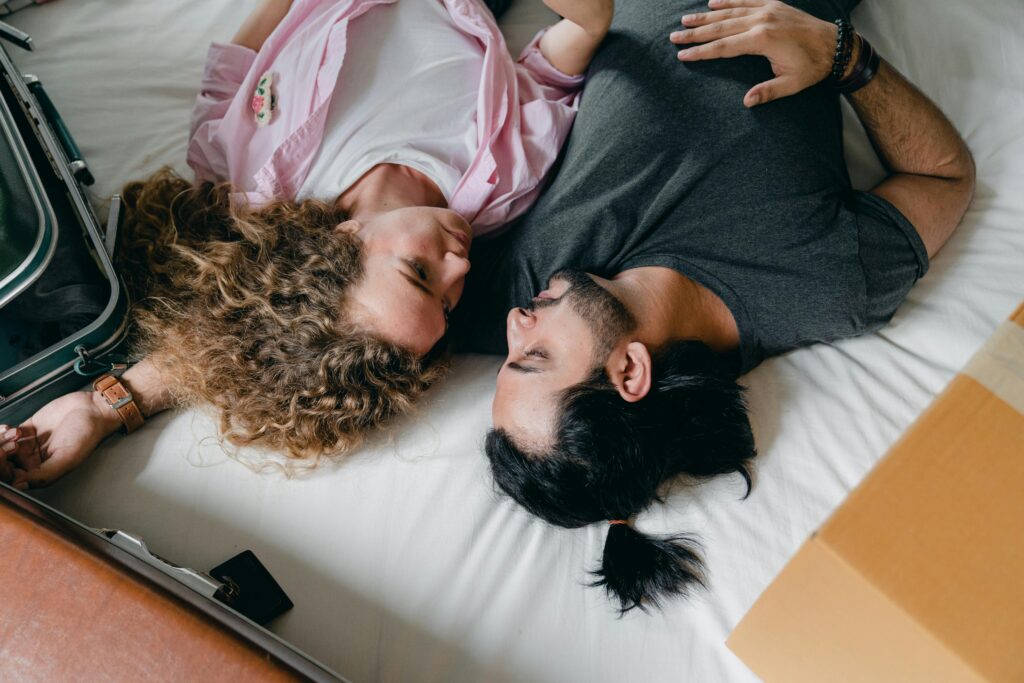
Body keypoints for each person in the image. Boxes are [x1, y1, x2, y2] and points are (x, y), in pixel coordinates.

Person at [451, 0, 975, 612]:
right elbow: (944, 178)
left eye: (508, 354)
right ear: (629, 372)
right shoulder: (824, 282)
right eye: (534, 356)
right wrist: (843, 57)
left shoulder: (522, 285)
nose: (516, 324)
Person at [0, 0, 613, 484]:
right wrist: (591, 20)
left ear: (335, 248)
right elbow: (549, 69)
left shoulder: (254, 179)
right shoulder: (500, 185)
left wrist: (102, 407)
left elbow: (233, 71)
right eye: (448, 301)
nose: (459, 264)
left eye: (419, 274)